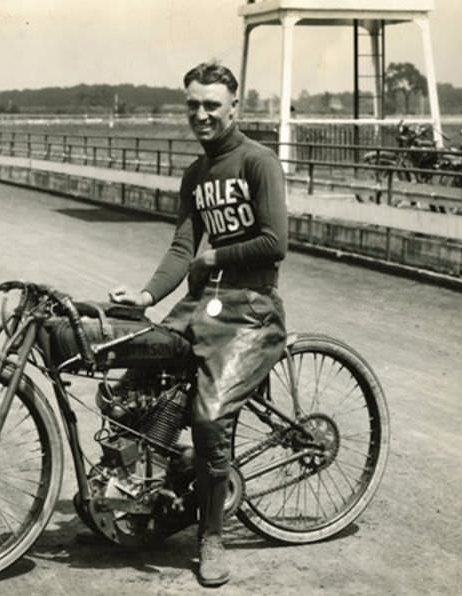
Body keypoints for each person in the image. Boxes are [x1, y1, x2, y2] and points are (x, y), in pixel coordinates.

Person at [109, 61, 288, 587]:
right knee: (128, 387)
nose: (201, 114)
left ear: (235, 106)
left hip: (252, 308)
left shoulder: (259, 162)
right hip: (199, 307)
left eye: (212, 104)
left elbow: (276, 242)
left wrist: (217, 259)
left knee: (210, 420)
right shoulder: (195, 174)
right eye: (193, 104)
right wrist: (143, 296)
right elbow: (182, 248)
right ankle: (160, 490)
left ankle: (211, 535)